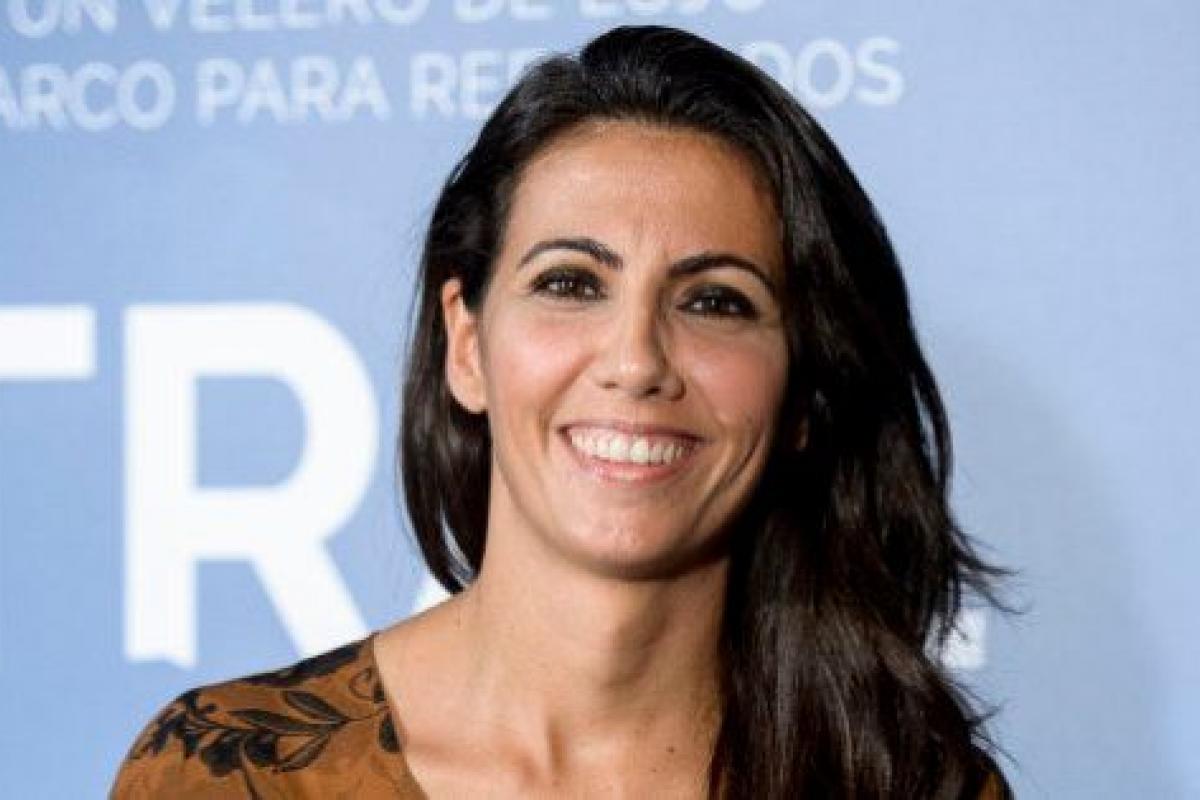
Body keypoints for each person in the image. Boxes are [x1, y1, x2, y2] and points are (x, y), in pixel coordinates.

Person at [111, 25, 1011, 799]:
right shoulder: (233, 775)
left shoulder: (907, 786)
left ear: (806, 391)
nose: (636, 361)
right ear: (467, 344)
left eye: (715, 301)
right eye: (571, 284)